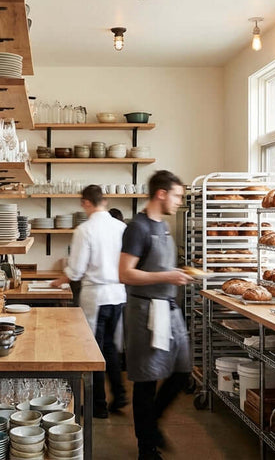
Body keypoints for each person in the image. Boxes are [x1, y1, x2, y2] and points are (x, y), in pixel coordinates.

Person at [118, 170, 195, 460]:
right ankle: (146, 448)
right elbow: (124, 273)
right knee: (146, 381)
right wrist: (167, 276)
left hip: (169, 308)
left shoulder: (162, 226)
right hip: (146, 313)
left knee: (182, 371)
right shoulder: (136, 227)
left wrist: (177, 276)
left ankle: (152, 425)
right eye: (176, 195)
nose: (179, 201)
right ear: (161, 194)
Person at [51, 185, 128, 418]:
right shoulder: (122, 227)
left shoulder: (85, 230)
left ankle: (99, 405)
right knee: (110, 348)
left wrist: (60, 280)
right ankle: (120, 394)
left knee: (92, 351)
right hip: (118, 294)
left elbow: (76, 270)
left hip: (96, 296)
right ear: (104, 201)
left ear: (86, 202)